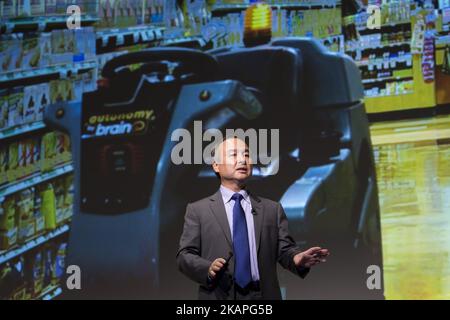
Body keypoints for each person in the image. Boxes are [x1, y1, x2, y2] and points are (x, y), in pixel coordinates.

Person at [176, 137, 329, 300]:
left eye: (247, 155)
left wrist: (297, 258)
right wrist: (207, 269)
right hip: (219, 295)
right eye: (234, 155)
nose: (243, 159)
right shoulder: (198, 210)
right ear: (216, 165)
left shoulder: (272, 209)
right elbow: (185, 255)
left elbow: (284, 250)